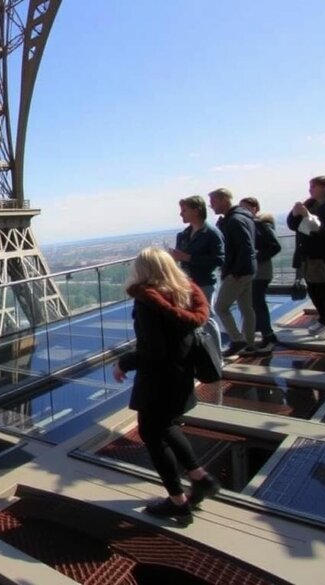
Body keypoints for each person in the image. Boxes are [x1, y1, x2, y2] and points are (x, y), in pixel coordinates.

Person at [113, 248, 220, 525]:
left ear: (143, 270)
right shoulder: (186, 293)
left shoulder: (148, 302)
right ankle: (200, 478)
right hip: (182, 376)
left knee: (151, 434)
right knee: (167, 427)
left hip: (158, 381)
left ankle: (177, 502)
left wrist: (123, 362)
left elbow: (153, 351)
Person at [288, 176, 325, 340]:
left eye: (314, 186)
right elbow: (293, 225)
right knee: (314, 290)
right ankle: (323, 320)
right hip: (309, 256)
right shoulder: (311, 204)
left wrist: (307, 216)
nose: (310, 190)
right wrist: (295, 214)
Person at [210, 188, 257, 357]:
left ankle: (237, 340)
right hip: (248, 269)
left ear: (224, 200)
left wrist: (235, 271)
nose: (211, 206)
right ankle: (249, 343)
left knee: (220, 307)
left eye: (213, 202)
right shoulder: (242, 217)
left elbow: (244, 247)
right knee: (246, 308)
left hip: (238, 272)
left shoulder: (234, 220)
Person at [171, 195, 224, 344]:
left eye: (184, 210)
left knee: (207, 318)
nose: (181, 214)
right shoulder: (184, 235)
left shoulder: (211, 234)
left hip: (204, 282)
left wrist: (188, 258)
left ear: (196, 211)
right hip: (187, 283)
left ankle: (215, 353)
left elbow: (219, 259)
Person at [240, 197, 281, 352]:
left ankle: (268, 335)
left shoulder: (261, 224)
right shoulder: (252, 224)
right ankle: (259, 332)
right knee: (253, 303)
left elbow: (275, 246)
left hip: (261, 271)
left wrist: (256, 258)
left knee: (257, 302)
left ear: (255, 208)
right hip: (255, 270)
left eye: (246, 208)